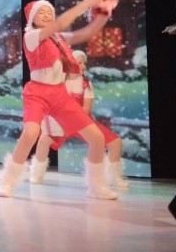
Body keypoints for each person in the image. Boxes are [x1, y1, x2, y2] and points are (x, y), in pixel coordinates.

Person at [0, 0, 120, 199]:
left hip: (60, 95)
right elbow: (61, 22)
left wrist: (104, 13)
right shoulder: (31, 36)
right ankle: (7, 182)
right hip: (37, 92)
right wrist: (87, 2)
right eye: (41, 12)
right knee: (30, 133)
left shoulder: (58, 39)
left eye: (49, 12)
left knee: (97, 138)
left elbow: (86, 33)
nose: (46, 15)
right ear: (32, 18)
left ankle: (97, 187)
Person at [30, 49, 128, 190]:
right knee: (44, 139)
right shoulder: (58, 80)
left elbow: (86, 109)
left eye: (84, 63)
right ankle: (36, 174)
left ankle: (114, 178)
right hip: (61, 121)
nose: (83, 66)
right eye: (79, 63)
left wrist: (75, 123)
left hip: (81, 121)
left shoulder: (85, 84)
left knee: (115, 142)